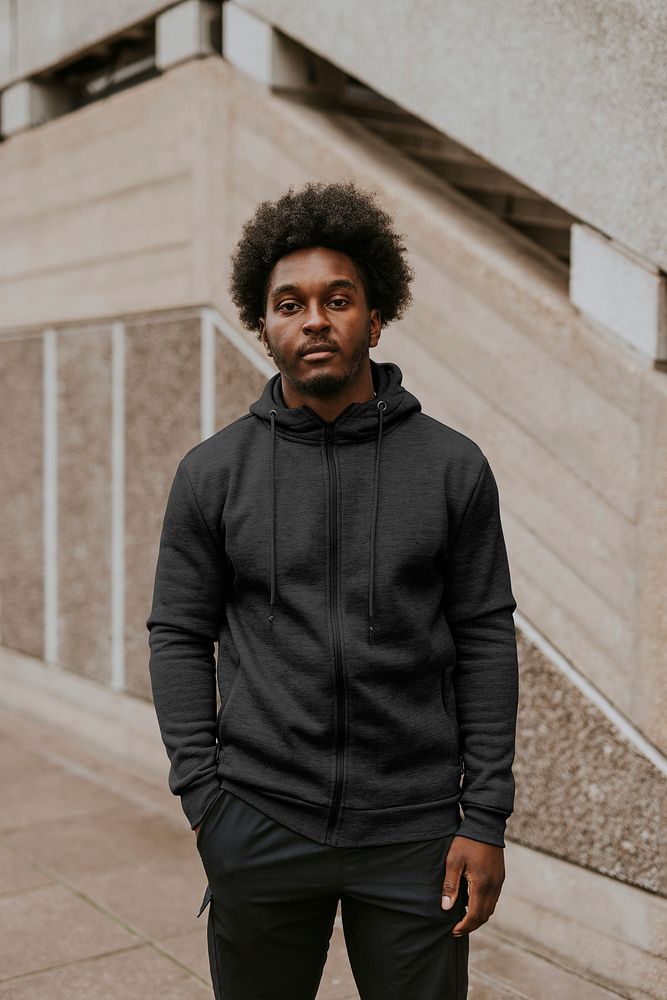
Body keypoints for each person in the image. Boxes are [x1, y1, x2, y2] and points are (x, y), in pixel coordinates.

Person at [146, 180, 519, 1000]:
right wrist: (204, 799)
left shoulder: (451, 467)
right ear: (264, 326)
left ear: (374, 318)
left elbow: (486, 636)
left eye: (337, 299)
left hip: (417, 832)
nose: (313, 318)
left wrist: (482, 817)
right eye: (289, 303)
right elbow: (176, 631)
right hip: (258, 819)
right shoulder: (212, 474)